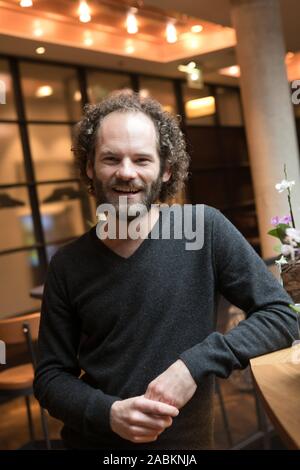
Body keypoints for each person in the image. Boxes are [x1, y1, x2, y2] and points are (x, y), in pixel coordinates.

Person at [34, 90, 297, 450]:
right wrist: (108, 412)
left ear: (166, 169)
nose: (126, 172)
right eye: (111, 158)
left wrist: (193, 365)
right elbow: (50, 377)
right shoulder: (67, 264)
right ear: (89, 167)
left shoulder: (203, 229)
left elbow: (280, 315)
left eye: (142, 159)